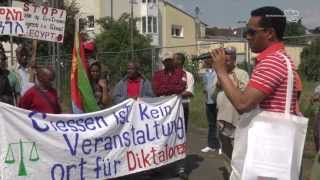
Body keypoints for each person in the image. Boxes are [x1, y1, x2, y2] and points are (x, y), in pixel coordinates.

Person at [210, 6, 300, 177]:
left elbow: (242, 104)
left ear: (269, 33)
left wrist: (221, 71)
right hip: (276, 140)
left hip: (270, 146)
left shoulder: (272, 62)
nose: (246, 37)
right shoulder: (282, 58)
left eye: (251, 32)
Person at [215, 47, 249, 158]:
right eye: (224, 60)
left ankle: (237, 174)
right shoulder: (221, 74)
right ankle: (229, 173)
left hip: (235, 120)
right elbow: (217, 88)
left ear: (234, 60)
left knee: (237, 151)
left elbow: (243, 93)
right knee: (225, 149)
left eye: (228, 60)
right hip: (222, 117)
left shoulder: (242, 73)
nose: (225, 63)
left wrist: (229, 78)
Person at [173, 52, 194, 179]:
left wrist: (175, 94)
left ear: (180, 61)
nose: (172, 60)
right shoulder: (166, 74)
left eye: (175, 59)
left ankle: (180, 168)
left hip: (182, 108)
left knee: (180, 137)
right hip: (168, 110)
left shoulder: (188, 75)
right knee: (164, 136)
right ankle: (160, 164)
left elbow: (189, 92)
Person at [201, 58, 221, 153]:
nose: (204, 62)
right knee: (211, 124)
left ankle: (221, 146)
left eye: (206, 60)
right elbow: (205, 86)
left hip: (217, 101)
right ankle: (211, 145)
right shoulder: (205, 73)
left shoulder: (218, 71)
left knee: (221, 124)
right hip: (208, 101)